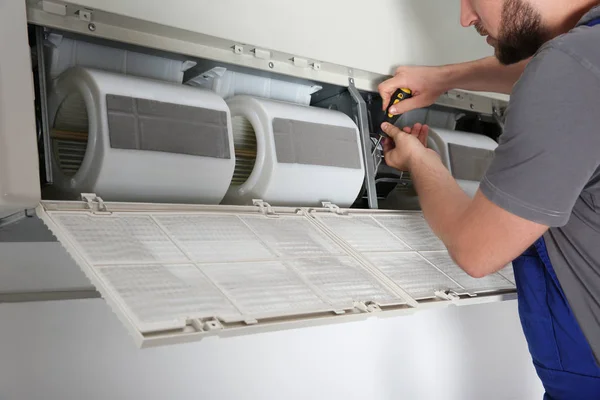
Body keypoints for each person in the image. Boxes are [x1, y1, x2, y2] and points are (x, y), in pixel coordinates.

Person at [378, 0, 600, 398]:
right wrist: (445, 79)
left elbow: (477, 250)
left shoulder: (569, 66)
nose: (466, 17)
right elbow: (566, 72)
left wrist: (420, 162)